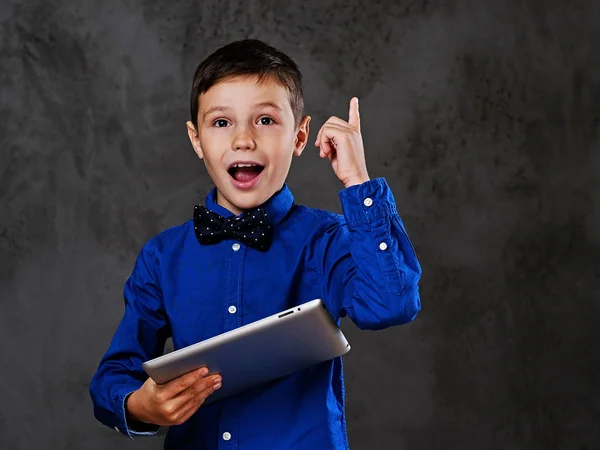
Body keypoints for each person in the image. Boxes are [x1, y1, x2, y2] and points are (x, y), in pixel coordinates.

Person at [89, 39, 422, 450]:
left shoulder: (327, 238)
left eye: (265, 120)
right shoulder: (162, 257)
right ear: (196, 140)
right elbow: (112, 377)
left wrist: (358, 181)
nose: (243, 140)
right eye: (221, 122)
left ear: (300, 137)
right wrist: (141, 404)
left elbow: (392, 304)